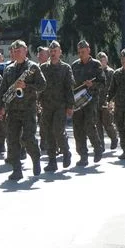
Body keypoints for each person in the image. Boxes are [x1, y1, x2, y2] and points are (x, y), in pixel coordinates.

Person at [0, 40, 46, 180]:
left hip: (28, 110)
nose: (16, 53)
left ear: (25, 51)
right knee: (12, 141)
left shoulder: (33, 67)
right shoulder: (9, 69)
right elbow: (2, 89)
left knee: (27, 138)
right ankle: (17, 170)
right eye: (14, 51)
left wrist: (26, 85)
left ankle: (35, 158)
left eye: (19, 50)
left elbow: (42, 85)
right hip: (12, 111)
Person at [38, 41, 74, 171]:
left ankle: (66, 152)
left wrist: (70, 106)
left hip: (60, 105)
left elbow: (69, 88)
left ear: (60, 52)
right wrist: (38, 101)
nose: (53, 53)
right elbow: (40, 87)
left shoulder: (65, 68)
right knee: (48, 133)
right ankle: (52, 161)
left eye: (55, 51)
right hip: (47, 106)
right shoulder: (43, 68)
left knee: (57, 130)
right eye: (51, 51)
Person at [70, 40, 105, 167]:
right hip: (77, 101)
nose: (81, 54)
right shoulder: (74, 65)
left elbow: (103, 83)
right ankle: (83, 156)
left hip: (91, 100)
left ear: (88, 50)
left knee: (89, 125)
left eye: (83, 51)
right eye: (79, 52)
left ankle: (97, 147)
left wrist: (93, 84)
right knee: (78, 128)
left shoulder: (96, 65)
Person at [96, 52, 118, 151]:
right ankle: (100, 145)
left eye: (103, 60)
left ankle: (114, 138)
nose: (101, 62)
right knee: (97, 124)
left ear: (106, 61)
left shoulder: (111, 72)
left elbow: (115, 88)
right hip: (96, 101)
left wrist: (112, 101)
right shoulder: (95, 72)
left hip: (107, 101)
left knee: (107, 123)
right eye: (99, 60)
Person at [36, 46, 49, 151]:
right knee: (42, 124)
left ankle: (57, 145)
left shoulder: (50, 67)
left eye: (42, 54)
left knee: (53, 126)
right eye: (38, 54)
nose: (39, 56)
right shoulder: (36, 68)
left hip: (51, 101)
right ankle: (44, 144)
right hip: (39, 101)